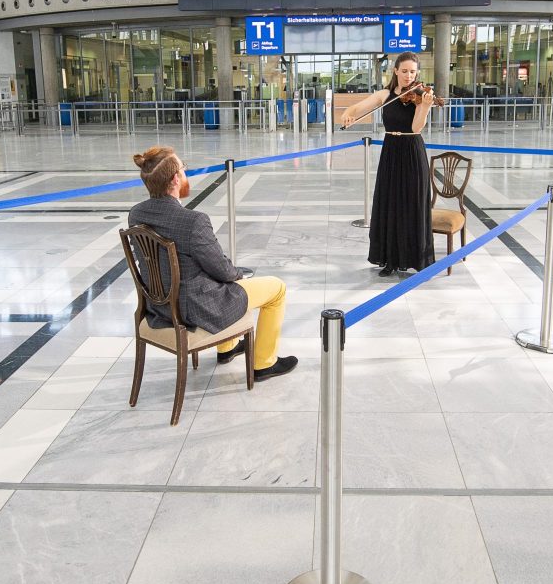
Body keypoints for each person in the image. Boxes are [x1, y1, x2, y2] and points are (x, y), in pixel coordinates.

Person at [128, 146, 298, 379]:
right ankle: (264, 363)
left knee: (218, 279)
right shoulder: (193, 221)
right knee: (276, 288)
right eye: (183, 169)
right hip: (197, 309)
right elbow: (221, 269)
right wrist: (239, 275)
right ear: (176, 179)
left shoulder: (136, 214)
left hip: (159, 306)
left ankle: (227, 348)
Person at [339, 52, 437, 277]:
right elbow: (361, 107)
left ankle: (416, 259)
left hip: (412, 151)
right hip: (391, 150)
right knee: (390, 204)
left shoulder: (421, 96)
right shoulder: (385, 94)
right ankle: (390, 260)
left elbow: (416, 128)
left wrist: (424, 107)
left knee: (412, 204)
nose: (409, 76)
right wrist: (348, 112)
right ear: (395, 71)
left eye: (413, 72)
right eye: (404, 71)